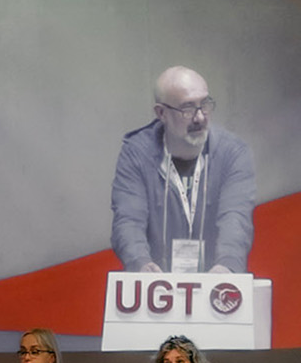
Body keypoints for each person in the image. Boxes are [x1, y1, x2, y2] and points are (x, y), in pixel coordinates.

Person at [110, 65, 257, 274]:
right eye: (187, 109)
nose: (200, 117)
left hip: (215, 279)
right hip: (156, 287)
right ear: (162, 113)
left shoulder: (233, 153)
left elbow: (235, 217)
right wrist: (139, 263)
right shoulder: (136, 153)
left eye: (204, 104)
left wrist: (227, 265)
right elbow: (128, 219)